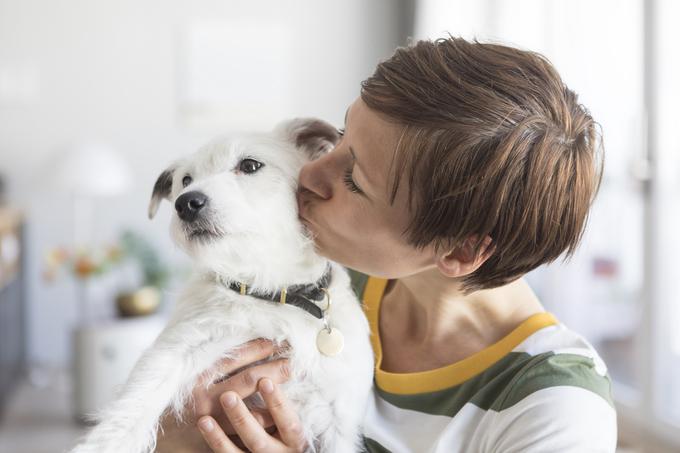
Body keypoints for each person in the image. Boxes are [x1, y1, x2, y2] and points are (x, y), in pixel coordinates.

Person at [155, 37, 616, 452]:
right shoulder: (315, 279)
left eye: (354, 180)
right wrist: (171, 436)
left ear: (457, 251)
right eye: (340, 138)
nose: (309, 175)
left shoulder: (554, 411)